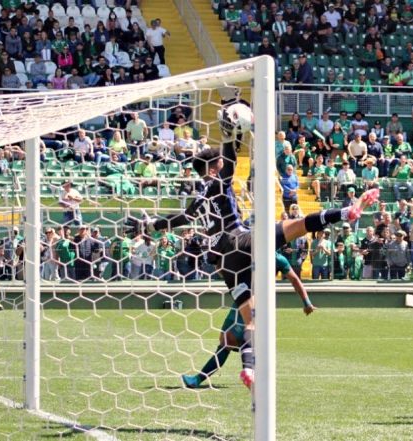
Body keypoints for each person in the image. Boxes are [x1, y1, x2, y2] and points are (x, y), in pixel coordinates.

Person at [126, 115, 379, 388]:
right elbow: (231, 160)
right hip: (241, 238)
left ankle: (248, 369)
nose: (223, 167)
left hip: (224, 262)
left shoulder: (198, 196)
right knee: (297, 225)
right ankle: (344, 212)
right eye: (220, 165)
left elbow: (180, 219)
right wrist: (229, 136)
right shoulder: (218, 182)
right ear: (213, 169)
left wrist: (149, 225)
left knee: (251, 320)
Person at [181, 252, 315, 388]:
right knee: (229, 339)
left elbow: (294, 279)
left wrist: (307, 302)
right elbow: (224, 271)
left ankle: (241, 373)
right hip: (241, 297)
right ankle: (249, 373)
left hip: (255, 300)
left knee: (231, 339)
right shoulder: (246, 251)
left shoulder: (277, 258)